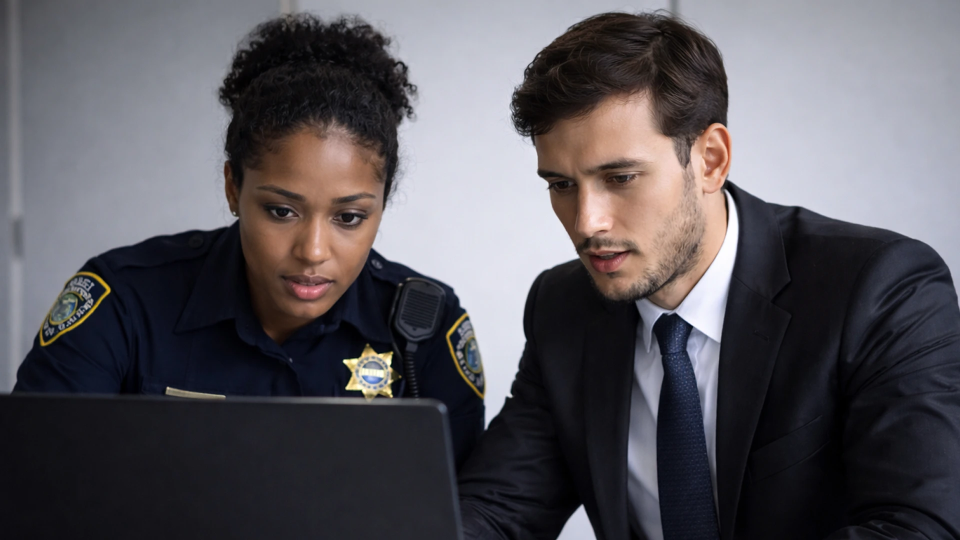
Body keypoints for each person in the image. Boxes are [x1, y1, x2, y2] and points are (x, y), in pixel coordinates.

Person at [458, 11, 960, 540]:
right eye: (561, 185)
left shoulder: (879, 288)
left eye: (620, 177)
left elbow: (919, 527)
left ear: (711, 160)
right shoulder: (563, 306)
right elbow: (496, 509)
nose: (587, 223)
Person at [14, 14, 485, 468]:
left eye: (349, 217)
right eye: (281, 211)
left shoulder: (427, 328)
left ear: (382, 205)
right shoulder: (122, 301)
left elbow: (461, 505)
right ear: (232, 187)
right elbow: (32, 479)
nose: (313, 251)